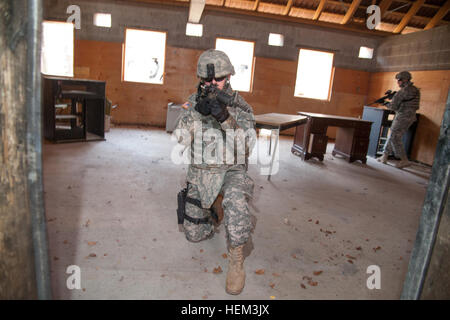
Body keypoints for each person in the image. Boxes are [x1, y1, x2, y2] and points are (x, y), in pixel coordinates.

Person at [174, 49, 255, 295]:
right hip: (201, 173)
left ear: (228, 76)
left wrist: (224, 117)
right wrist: (196, 113)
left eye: (218, 79)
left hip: (231, 170)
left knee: (236, 201)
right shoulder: (192, 102)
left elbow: (246, 148)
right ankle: (214, 210)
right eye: (207, 80)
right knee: (194, 235)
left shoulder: (240, 106)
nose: (212, 84)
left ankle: (237, 259)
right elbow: (179, 139)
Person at [377, 71, 420, 168]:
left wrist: (384, 103)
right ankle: (385, 155)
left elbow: (393, 107)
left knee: (395, 137)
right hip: (410, 116)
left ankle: (404, 159)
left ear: (405, 80)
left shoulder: (403, 91)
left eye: (399, 80)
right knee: (392, 134)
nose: (398, 82)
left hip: (402, 116)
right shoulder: (415, 90)